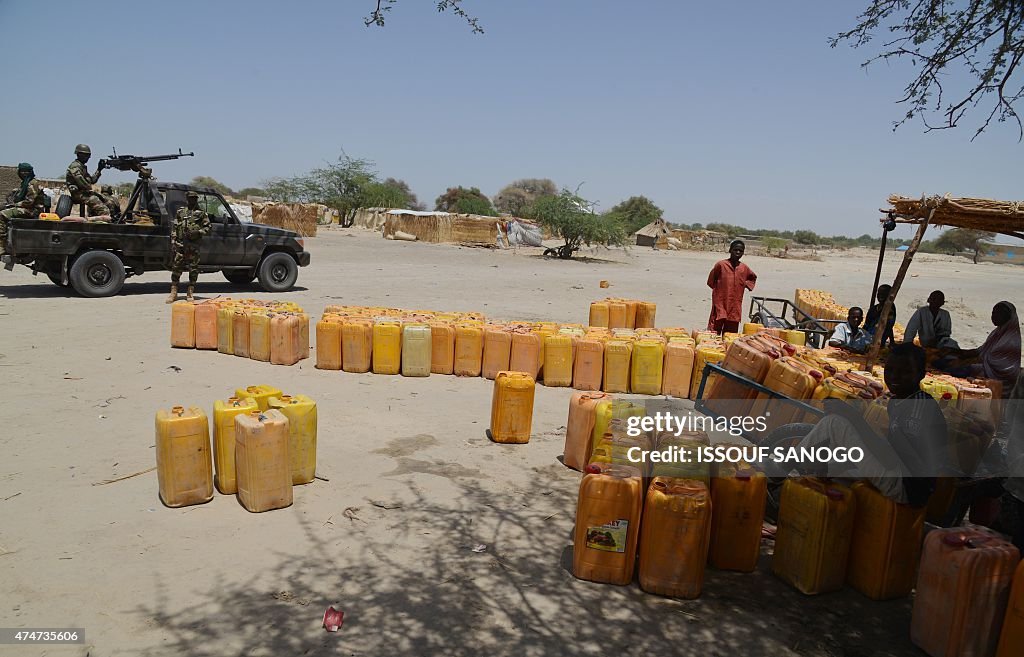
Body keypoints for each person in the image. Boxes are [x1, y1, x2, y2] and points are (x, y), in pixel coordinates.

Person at [787, 343, 950, 505]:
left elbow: (893, 459)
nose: (894, 377)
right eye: (890, 370)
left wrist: (852, 417)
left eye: (905, 372)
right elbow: (891, 449)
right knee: (830, 468)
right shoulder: (899, 401)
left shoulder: (918, 408)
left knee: (835, 423)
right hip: (900, 475)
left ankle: (781, 469)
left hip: (907, 487)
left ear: (921, 374)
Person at [940, 301, 1021, 395]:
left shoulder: (1010, 340)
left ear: (1007, 317)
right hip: (985, 367)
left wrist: (961, 361)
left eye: (997, 314)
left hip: (996, 376)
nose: (993, 316)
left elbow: (987, 361)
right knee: (945, 361)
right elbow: (980, 351)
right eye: (993, 313)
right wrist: (956, 352)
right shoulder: (997, 333)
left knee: (953, 369)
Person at [167, 191, 211, 303]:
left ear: (196, 199)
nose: (192, 200)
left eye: (194, 198)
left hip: (193, 246)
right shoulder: (180, 212)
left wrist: (198, 232)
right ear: (187, 199)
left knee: (193, 269)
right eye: (190, 198)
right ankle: (173, 292)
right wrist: (173, 240)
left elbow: (208, 228)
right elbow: (175, 227)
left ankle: (190, 292)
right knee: (176, 269)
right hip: (180, 245)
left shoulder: (201, 213)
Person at [706, 239, 756, 334]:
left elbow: (752, 278)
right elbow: (711, 281)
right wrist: (719, 291)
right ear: (730, 250)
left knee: (730, 335)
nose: (738, 252)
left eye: (740, 251)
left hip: (735, 306)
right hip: (720, 303)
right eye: (735, 249)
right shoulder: (721, 265)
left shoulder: (744, 268)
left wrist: (743, 285)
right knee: (714, 332)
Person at [1, 162, 46, 257]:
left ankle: (2, 246)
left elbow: (29, 202)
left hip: (32, 210)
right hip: (26, 208)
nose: (23, 174)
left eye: (26, 172)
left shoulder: (33, 183)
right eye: (22, 171)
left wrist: (14, 205)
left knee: (2, 215)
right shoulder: (25, 183)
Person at [66, 144, 120, 220]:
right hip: (78, 194)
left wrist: (99, 169)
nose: (88, 158)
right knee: (104, 210)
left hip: (85, 193)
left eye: (88, 155)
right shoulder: (75, 166)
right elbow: (83, 183)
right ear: (79, 154)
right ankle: (103, 224)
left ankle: (113, 219)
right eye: (86, 155)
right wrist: (91, 189)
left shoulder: (82, 167)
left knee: (109, 202)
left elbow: (92, 180)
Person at [864, 284, 897, 348]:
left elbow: (888, 326)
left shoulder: (890, 308)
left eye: (884, 294)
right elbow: (866, 325)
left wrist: (892, 342)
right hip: (867, 336)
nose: (881, 296)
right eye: (879, 293)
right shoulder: (873, 309)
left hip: (877, 341)